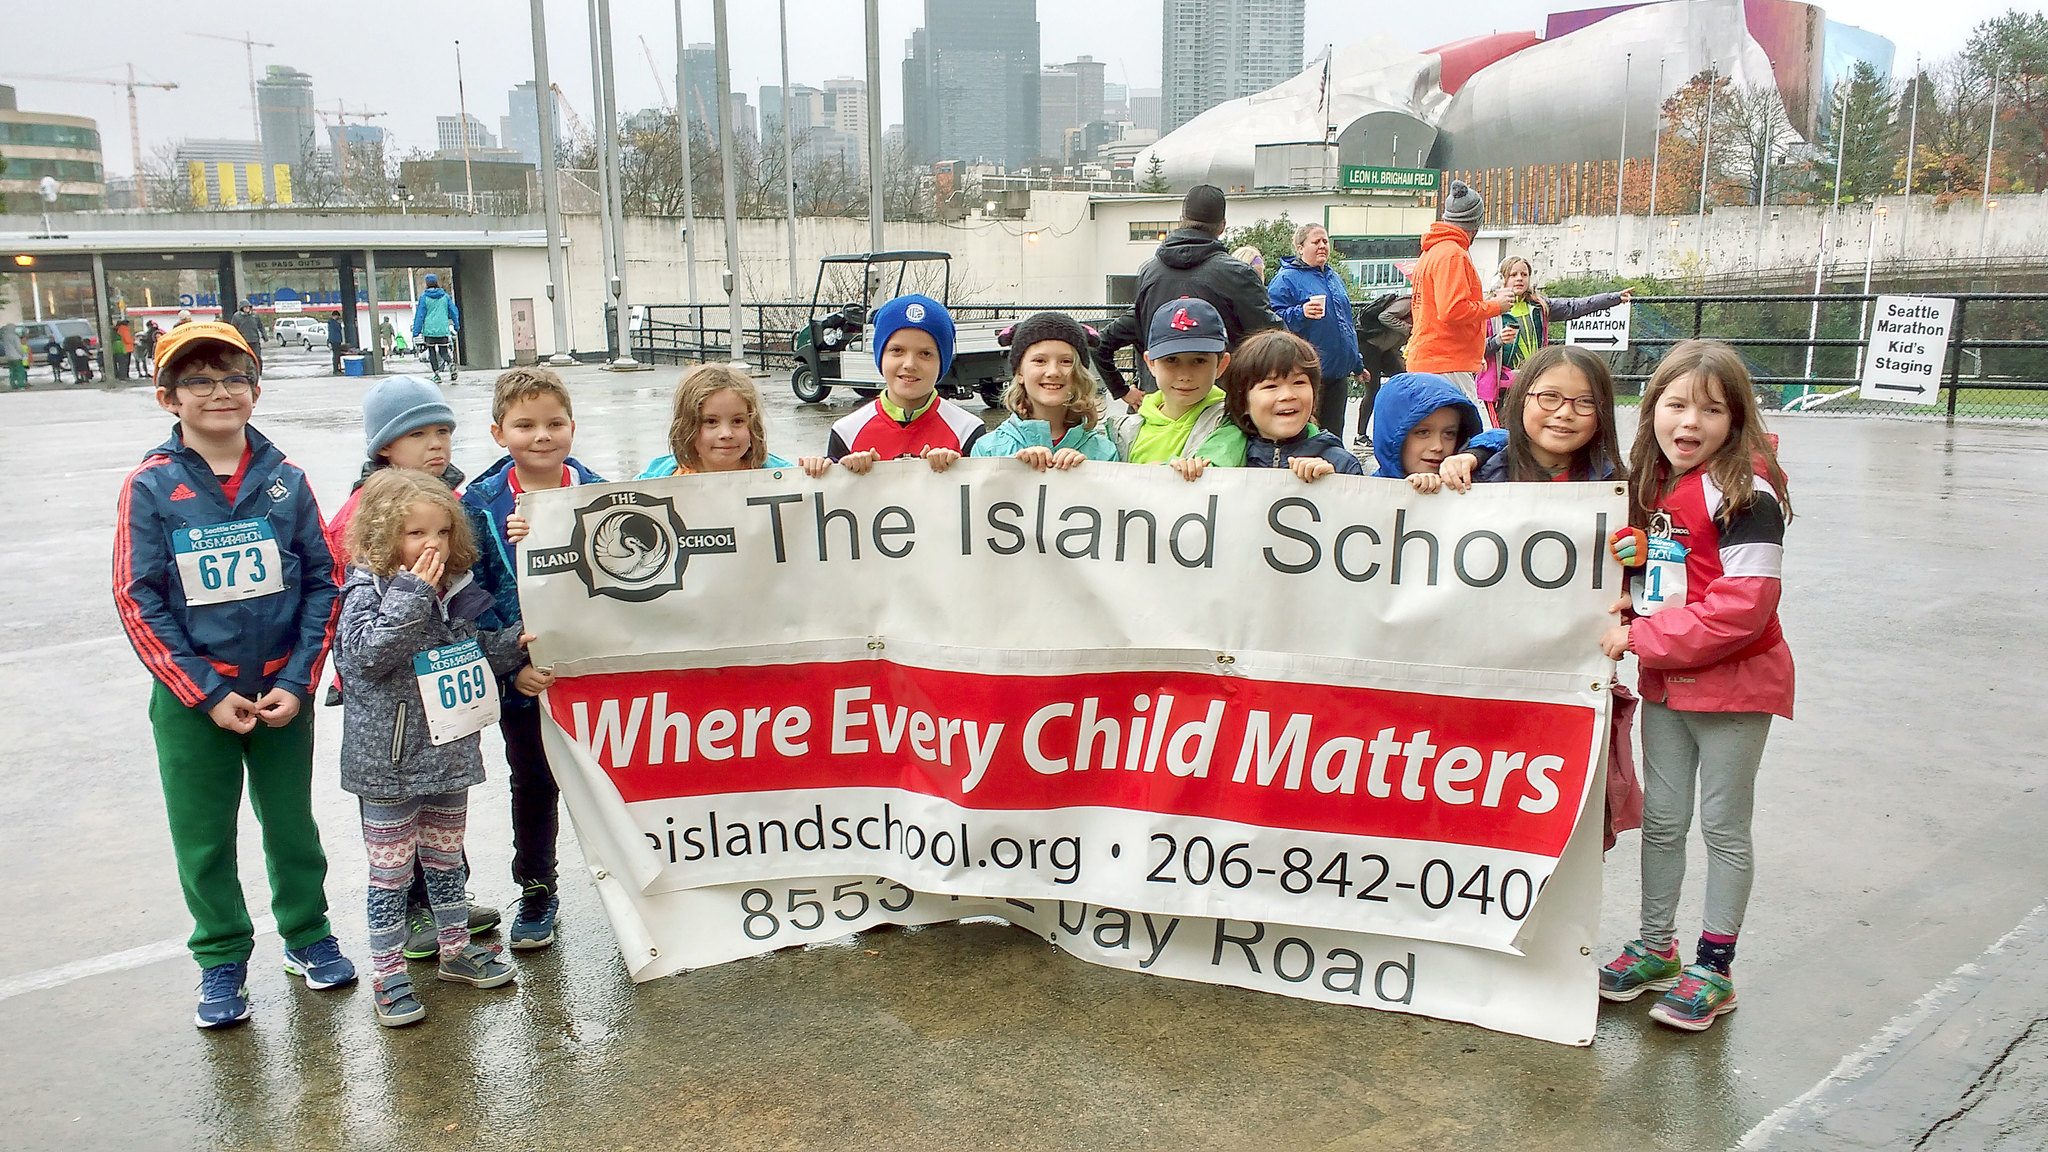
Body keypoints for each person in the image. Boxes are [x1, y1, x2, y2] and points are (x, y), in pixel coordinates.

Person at [112, 320, 357, 1029]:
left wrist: (300, 679)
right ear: (168, 397)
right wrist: (206, 692)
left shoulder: (286, 479)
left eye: (232, 378)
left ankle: (308, 935)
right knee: (204, 835)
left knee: (291, 825)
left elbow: (323, 581)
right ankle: (220, 957)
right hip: (196, 703)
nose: (219, 392)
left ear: (255, 389)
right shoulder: (151, 486)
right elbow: (138, 597)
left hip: (282, 691)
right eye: (198, 380)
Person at [1598, 338, 1794, 1034]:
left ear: (1736, 417)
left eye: (1710, 410)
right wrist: (1634, 581)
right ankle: (1657, 948)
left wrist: (1643, 636)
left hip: (1735, 688)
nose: (1689, 423)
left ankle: (1715, 966)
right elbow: (1680, 578)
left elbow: (1745, 606)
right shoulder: (1658, 484)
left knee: (1722, 827)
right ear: (1651, 410)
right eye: (1675, 405)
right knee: (1665, 819)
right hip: (1667, 684)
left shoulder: (1750, 491)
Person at [324, 375, 512, 956]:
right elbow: (355, 630)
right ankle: (411, 914)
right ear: (385, 446)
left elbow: (467, 602)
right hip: (388, 709)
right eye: (419, 434)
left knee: (441, 821)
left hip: (443, 698)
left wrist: (510, 643)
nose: (437, 445)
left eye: (444, 432)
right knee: (393, 834)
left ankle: (444, 903)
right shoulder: (368, 515)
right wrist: (408, 597)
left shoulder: (448, 501)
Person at [337, 468, 531, 1026]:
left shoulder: (455, 594)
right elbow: (367, 658)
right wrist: (412, 594)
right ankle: (388, 974)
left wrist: (511, 645)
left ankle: (455, 950)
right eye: (416, 533)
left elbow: (466, 656)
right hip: (390, 763)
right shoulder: (366, 592)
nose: (433, 546)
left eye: (442, 533)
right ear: (381, 536)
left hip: (448, 752)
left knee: (447, 858)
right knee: (391, 873)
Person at [460, 368, 607, 951]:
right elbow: (469, 593)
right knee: (533, 781)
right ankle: (538, 887)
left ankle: (631, 880)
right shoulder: (479, 502)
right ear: (499, 433)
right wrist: (507, 664)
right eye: (525, 425)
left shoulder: (599, 491)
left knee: (608, 780)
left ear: (572, 427)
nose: (541, 436)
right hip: (523, 676)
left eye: (553, 424)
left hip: (591, 668)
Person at [1092, 185, 1282, 406]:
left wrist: (1121, 390)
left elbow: (1102, 341)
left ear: (1181, 219)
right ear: (1222, 226)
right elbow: (1275, 341)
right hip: (1222, 410)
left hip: (1161, 409)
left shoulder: (1149, 272)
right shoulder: (1237, 274)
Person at [800, 294, 984, 477]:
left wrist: (958, 469)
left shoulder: (967, 430)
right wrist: (818, 469)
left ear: (942, 362)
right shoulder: (847, 431)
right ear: (880, 356)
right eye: (897, 350)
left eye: (925, 354)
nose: (910, 364)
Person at [1407, 180, 1515, 426]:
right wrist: (1496, 306)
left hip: (1432, 359)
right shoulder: (1453, 255)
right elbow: (1452, 310)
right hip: (1447, 362)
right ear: (1476, 223)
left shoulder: (1432, 252)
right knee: (1464, 436)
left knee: (1437, 432)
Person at [1480, 256, 1633, 425]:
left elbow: (1575, 306)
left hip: (1534, 380)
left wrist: (1613, 298)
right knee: (1506, 433)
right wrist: (1498, 340)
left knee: (1531, 430)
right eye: (1513, 274)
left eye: (1524, 274)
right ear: (1502, 279)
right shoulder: (1490, 311)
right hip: (1502, 386)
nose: (1519, 279)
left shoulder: (1540, 306)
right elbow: (1476, 349)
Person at [1107, 297, 1246, 479]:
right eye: (1171, 360)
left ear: (1221, 365)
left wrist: (1156, 474)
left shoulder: (1230, 422)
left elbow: (1217, 469)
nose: (1185, 375)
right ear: (1151, 363)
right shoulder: (1123, 429)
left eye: (1199, 361)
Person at [972, 312, 1119, 469]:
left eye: (1066, 361)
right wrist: (1012, 468)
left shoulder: (1104, 452)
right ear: (1020, 372)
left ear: (1080, 374)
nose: (1053, 372)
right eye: (1039, 361)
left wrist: (1087, 473)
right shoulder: (988, 449)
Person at [1467, 345, 1624, 484]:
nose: (1565, 413)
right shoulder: (1476, 478)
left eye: (1586, 401)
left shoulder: (1621, 488)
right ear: (1521, 399)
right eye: (1550, 396)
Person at [1223, 329, 1362, 482]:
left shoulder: (1343, 466)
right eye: (1271, 386)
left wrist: (1334, 485)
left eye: (1299, 382)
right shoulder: (1220, 462)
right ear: (1243, 402)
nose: (1288, 395)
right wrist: (1194, 476)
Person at [1267, 223, 1363, 444]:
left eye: (1325, 241)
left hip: (1338, 375)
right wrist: (1300, 312)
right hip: (1308, 375)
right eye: (1316, 241)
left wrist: (1357, 363)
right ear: (1300, 248)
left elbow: (1346, 323)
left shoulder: (1333, 277)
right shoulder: (1286, 279)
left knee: (1334, 438)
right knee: (1309, 438)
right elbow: (1272, 321)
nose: (1322, 246)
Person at [639, 364, 793, 477]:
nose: (726, 434)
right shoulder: (660, 478)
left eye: (738, 421)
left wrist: (812, 474)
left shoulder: (780, 475)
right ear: (686, 427)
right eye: (711, 422)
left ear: (753, 424)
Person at [1367, 371, 1485, 493]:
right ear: (1392, 434)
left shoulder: (1464, 481)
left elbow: (1502, 439)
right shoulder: (1365, 494)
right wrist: (1405, 491)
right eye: (1423, 432)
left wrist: (1474, 454)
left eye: (1449, 434)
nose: (1438, 446)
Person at [1351, 292, 1412, 454]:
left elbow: (1394, 341)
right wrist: (1408, 328)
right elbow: (1385, 317)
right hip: (1369, 345)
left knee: (1404, 380)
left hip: (1385, 349)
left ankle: (1401, 429)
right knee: (1373, 389)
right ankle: (1361, 435)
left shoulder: (1424, 309)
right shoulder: (1410, 302)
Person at [412, 273, 461, 384]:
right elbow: (453, 311)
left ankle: (436, 374)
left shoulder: (424, 297)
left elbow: (420, 315)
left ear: (427, 283)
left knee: (432, 352)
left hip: (429, 331)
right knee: (444, 351)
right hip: (443, 329)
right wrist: (456, 325)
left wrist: (416, 331)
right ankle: (450, 363)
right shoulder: (445, 296)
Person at [2, 322, 25, 390]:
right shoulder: (15, 336)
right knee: (19, 371)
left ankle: (13, 384)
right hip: (16, 356)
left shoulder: (5, 337)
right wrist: (22, 354)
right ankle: (20, 385)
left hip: (9, 357)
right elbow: (18, 347)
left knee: (12, 371)